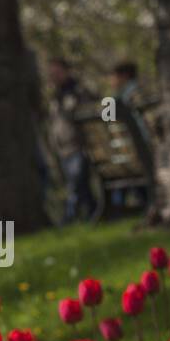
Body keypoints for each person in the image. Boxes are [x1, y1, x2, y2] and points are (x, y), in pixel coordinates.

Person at [46, 58, 96, 223]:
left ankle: (69, 217)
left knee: (75, 183)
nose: (54, 76)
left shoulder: (78, 91)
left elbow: (93, 112)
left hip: (78, 146)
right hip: (63, 149)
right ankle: (93, 212)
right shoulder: (55, 97)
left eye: (57, 72)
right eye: (51, 73)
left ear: (67, 71)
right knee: (81, 186)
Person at [109, 61, 156, 211]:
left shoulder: (123, 99)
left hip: (136, 152)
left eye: (113, 76)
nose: (111, 80)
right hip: (144, 149)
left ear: (123, 76)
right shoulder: (140, 93)